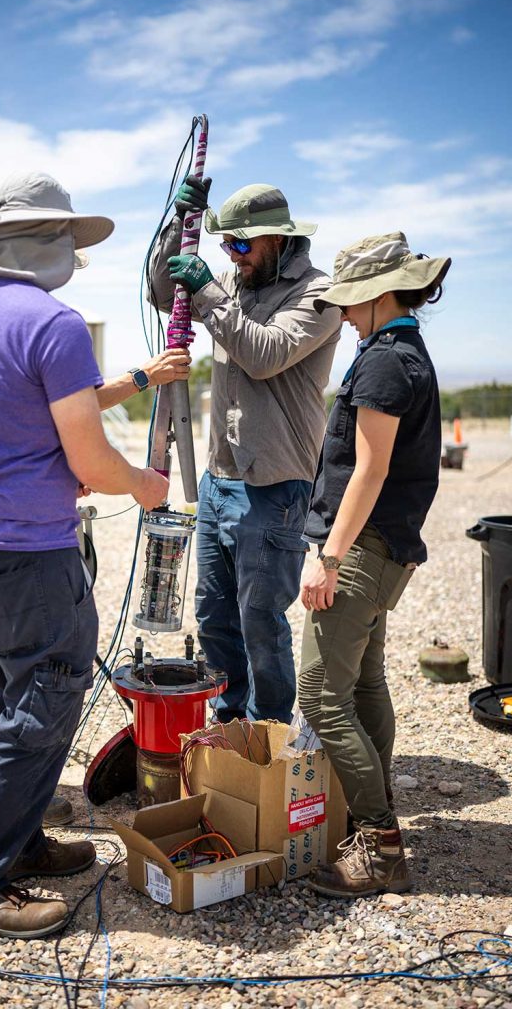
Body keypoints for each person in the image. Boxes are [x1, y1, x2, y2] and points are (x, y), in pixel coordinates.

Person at [0, 172, 169, 939]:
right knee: (40, 711)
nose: (73, 252)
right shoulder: (54, 324)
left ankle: (18, 845)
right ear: (45, 239)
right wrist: (145, 485)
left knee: (4, 703)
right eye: (67, 238)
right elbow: (95, 465)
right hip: (31, 555)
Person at [150, 179, 341, 722]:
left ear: (278, 240)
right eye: (225, 246)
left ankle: (270, 731)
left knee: (260, 619)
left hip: (275, 484)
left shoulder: (318, 294)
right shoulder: (235, 281)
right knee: (214, 616)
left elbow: (265, 352)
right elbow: (163, 293)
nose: (231, 257)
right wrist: (177, 226)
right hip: (219, 480)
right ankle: (232, 720)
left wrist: (210, 292)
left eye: (242, 246)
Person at [296, 231, 451, 898]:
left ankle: (379, 842)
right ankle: (370, 817)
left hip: (360, 549)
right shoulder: (400, 352)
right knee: (360, 685)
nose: (344, 312)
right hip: (382, 548)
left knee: (319, 697)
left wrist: (327, 557)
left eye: (352, 300)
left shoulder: (386, 362)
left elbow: (371, 468)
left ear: (381, 294)